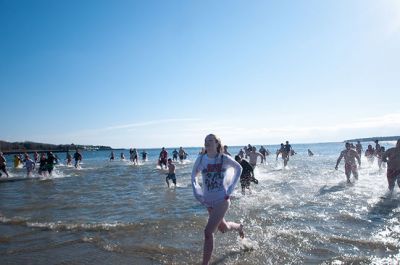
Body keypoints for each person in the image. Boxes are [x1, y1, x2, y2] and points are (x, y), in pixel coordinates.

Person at [191, 134, 244, 265]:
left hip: (222, 200)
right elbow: (193, 176)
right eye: (205, 141)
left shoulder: (223, 158)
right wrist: (198, 194)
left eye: (210, 140)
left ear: (217, 143)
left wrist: (230, 189)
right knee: (223, 228)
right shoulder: (201, 159)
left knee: (208, 232)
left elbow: (239, 168)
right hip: (208, 201)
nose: (207, 142)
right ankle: (239, 227)